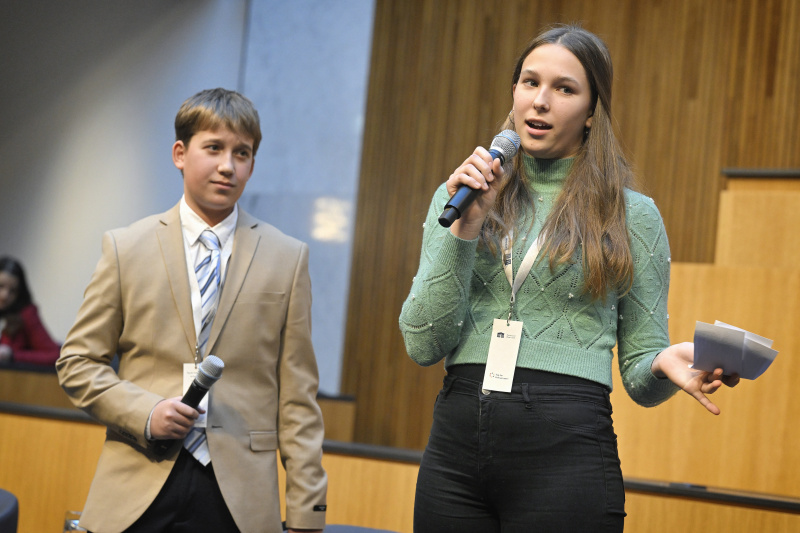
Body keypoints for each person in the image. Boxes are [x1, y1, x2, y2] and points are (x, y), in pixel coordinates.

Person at [399, 24, 739, 532]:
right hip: (456, 448)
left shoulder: (633, 216)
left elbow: (640, 376)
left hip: (565, 453)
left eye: (564, 88)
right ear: (513, 92)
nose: (540, 101)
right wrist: (465, 233)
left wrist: (664, 363)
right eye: (529, 82)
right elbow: (423, 342)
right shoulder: (462, 196)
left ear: (590, 111)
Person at [56, 88, 327, 533]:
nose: (228, 165)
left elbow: (298, 397)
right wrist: (145, 411)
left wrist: (307, 513)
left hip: (238, 496)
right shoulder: (126, 248)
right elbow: (78, 364)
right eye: (214, 148)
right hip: (137, 481)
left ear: (253, 165)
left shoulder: (287, 257)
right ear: (180, 153)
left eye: (242, 153)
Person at [0, 256, 61, 366]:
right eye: (1, 286)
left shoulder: (26, 314)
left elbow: (54, 355)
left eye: (12, 291)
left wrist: (13, 355)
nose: (5, 295)